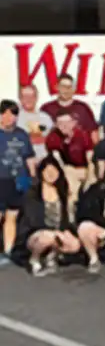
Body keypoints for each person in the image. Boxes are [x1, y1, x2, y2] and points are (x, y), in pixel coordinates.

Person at [17, 157, 80, 277]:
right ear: (41, 173)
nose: (51, 174)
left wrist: (66, 231)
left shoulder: (61, 191)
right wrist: (53, 232)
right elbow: (32, 220)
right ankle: (34, 260)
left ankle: (51, 256)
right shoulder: (33, 193)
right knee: (48, 237)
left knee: (74, 244)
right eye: (47, 171)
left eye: (54, 171)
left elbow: (64, 218)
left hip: (56, 232)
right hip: (34, 233)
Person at [0, 100, 37, 267]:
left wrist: (33, 177)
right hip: (1, 179)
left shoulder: (22, 134)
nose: (10, 118)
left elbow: (29, 157)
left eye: (13, 114)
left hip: (18, 180)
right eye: (6, 114)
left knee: (12, 217)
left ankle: (8, 251)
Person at [46, 111, 95, 204]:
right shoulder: (53, 137)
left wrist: (90, 178)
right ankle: (74, 204)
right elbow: (58, 161)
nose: (64, 126)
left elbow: (91, 159)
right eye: (60, 123)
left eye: (67, 122)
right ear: (56, 125)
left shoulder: (83, 135)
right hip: (65, 170)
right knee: (69, 175)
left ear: (73, 123)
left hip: (84, 169)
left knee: (92, 180)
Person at [42, 74, 98, 141]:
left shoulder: (83, 108)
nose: (66, 90)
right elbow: (40, 133)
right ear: (56, 87)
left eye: (70, 87)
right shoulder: (46, 109)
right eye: (63, 87)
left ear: (74, 89)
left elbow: (94, 133)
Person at [17, 84, 52, 161]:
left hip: (44, 159)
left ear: (36, 98)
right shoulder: (14, 118)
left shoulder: (46, 118)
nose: (28, 99)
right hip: (21, 160)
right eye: (25, 96)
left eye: (31, 96)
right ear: (20, 99)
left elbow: (50, 140)